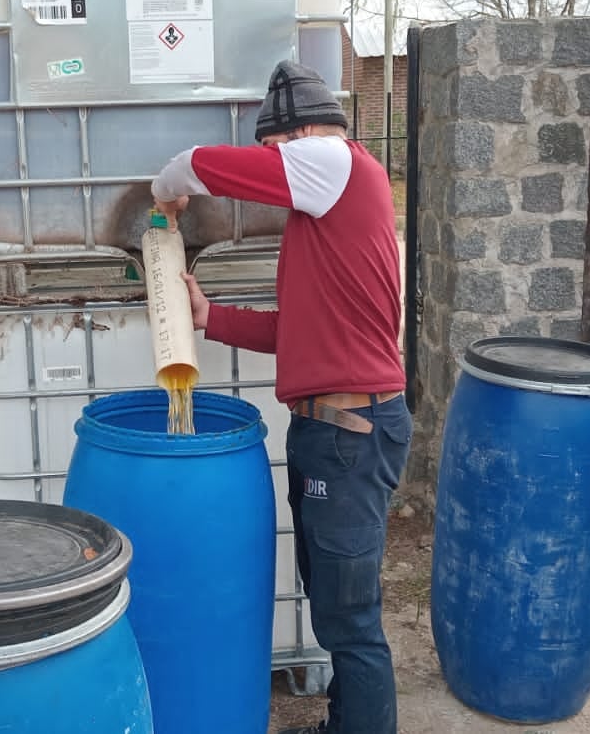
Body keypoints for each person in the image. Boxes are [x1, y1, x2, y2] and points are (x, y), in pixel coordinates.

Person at [151, 60, 411, 734]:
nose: (271, 167)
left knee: (349, 620)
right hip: (332, 428)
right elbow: (297, 330)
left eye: (271, 152)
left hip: (346, 429)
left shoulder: (335, 163)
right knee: (335, 609)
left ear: (289, 138)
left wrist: (167, 186)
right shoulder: (324, 215)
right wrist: (212, 319)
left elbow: (199, 163)